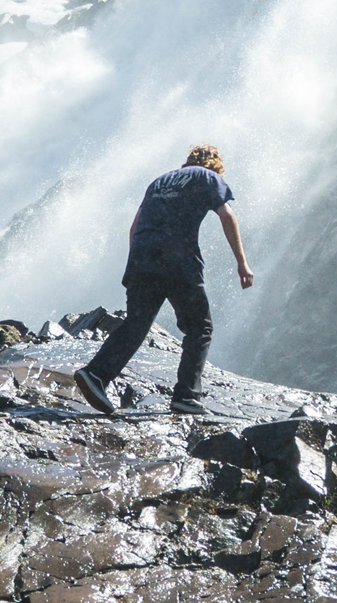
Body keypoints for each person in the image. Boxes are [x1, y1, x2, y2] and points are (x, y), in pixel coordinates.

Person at [74, 145, 256, 416]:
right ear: (215, 166)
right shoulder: (208, 177)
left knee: (136, 323)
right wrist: (242, 262)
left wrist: (138, 264)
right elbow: (227, 214)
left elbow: (134, 228)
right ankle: (186, 396)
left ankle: (95, 374)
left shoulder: (159, 182)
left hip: (142, 260)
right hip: (179, 261)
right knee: (199, 329)